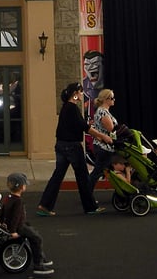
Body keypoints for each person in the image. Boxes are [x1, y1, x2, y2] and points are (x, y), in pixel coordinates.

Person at [37, 82, 112, 217]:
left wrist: (94, 132)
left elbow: (77, 125)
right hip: (72, 146)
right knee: (83, 177)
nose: (82, 94)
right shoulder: (72, 108)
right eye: (80, 91)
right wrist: (103, 136)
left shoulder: (66, 107)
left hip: (61, 145)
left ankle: (45, 205)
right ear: (75, 94)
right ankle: (90, 207)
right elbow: (84, 127)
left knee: (57, 176)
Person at [0, 173, 54, 277]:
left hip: (17, 224)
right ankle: (38, 264)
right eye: (24, 184)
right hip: (19, 227)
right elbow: (16, 217)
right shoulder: (18, 201)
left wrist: (2, 222)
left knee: (33, 233)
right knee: (37, 239)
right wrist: (13, 231)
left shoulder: (8, 198)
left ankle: (40, 257)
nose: (25, 186)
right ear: (20, 187)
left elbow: (3, 212)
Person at [88, 88, 117, 193]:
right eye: (112, 98)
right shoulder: (103, 112)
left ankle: (87, 192)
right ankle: (87, 193)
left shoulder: (102, 111)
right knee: (97, 172)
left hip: (104, 146)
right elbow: (111, 129)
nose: (114, 100)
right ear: (106, 99)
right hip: (103, 146)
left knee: (99, 171)